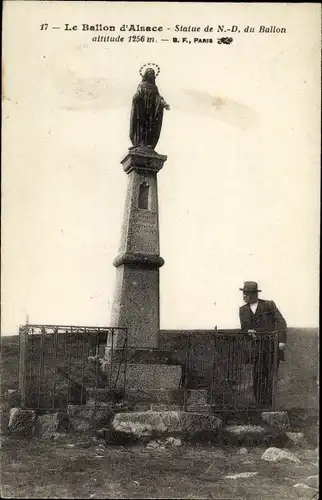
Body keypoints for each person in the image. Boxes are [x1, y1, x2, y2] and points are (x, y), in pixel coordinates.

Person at [239, 281, 287, 406]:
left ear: (254, 294)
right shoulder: (243, 310)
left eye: (246, 294)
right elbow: (244, 328)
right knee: (257, 375)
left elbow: (281, 322)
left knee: (270, 375)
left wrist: (281, 341)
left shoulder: (269, 305)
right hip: (255, 348)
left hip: (271, 347)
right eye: (243, 293)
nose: (243, 296)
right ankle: (259, 406)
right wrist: (248, 331)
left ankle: (270, 405)